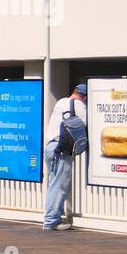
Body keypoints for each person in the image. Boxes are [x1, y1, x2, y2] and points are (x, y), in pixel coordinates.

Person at [43, 83, 88, 231]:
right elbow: (87, 124)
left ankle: (54, 217)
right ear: (85, 97)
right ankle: (51, 221)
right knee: (59, 185)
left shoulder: (61, 102)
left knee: (53, 183)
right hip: (61, 149)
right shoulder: (80, 106)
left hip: (50, 147)